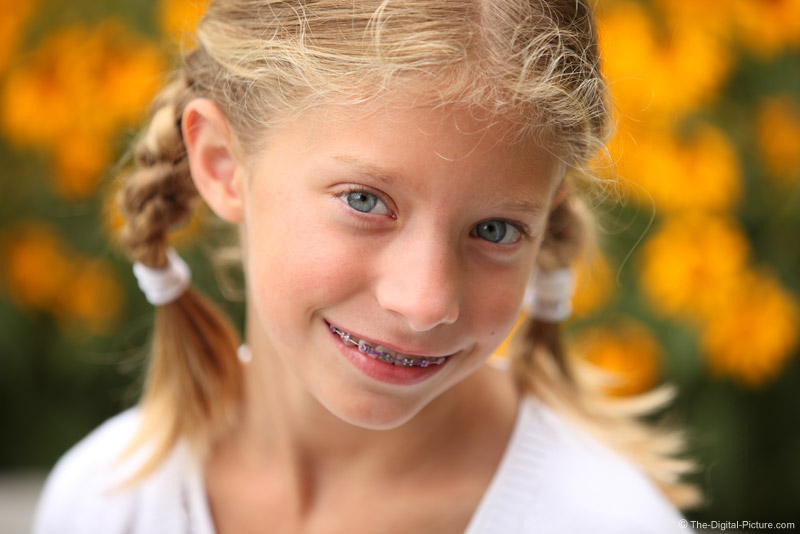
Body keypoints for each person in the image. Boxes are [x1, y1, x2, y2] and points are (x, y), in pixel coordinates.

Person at [34, 1, 701, 532]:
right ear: (223, 165)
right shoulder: (104, 503)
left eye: (495, 229)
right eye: (364, 201)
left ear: (548, 216)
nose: (424, 300)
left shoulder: (608, 520)